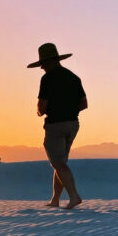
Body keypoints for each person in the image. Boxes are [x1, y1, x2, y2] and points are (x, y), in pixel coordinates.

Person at [27, 42, 87, 208]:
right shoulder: (74, 77)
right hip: (73, 124)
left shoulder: (47, 78)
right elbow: (84, 104)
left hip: (55, 125)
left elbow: (42, 105)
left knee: (58, 163)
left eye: (43, 64)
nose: (42, 68)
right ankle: (55, 200)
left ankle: (74, 197)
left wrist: (41, 111)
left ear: (50, 61)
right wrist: (69, 111)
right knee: (60, 163)